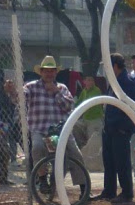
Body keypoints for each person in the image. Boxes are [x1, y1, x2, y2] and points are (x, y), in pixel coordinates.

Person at [23, 55, 88, 188]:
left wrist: (56, 92)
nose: (49, 74)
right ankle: (42, 179)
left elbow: (69, 106)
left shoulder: (62, 88)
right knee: (37, 148)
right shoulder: (31, 86)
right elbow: (20, 98)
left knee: (75, 153)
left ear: (56, 73)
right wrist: (12, 91)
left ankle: (83, 188)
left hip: (59, 131)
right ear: (41, 72)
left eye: (52, 71)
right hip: (40, 130)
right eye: (46, 71)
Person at [99, 52, 135, 201]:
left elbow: (130, 107)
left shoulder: (127, 82)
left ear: (115, 66)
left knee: (122, 162)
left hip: (120, 129)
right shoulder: (114, 81)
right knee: (109, 161)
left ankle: (126, 193)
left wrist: (123, 128)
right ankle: (109, 191)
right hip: (109, 128)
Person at [73, 75, 104, 152]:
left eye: (92, 80)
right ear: (84, 82)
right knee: (74, 126)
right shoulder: (84, 91)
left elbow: (89, 103)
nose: (91, 82)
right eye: (89, 80)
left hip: (95, 120)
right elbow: (79, 103)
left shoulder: (97, 90)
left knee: (94, 144)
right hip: (85, 119)